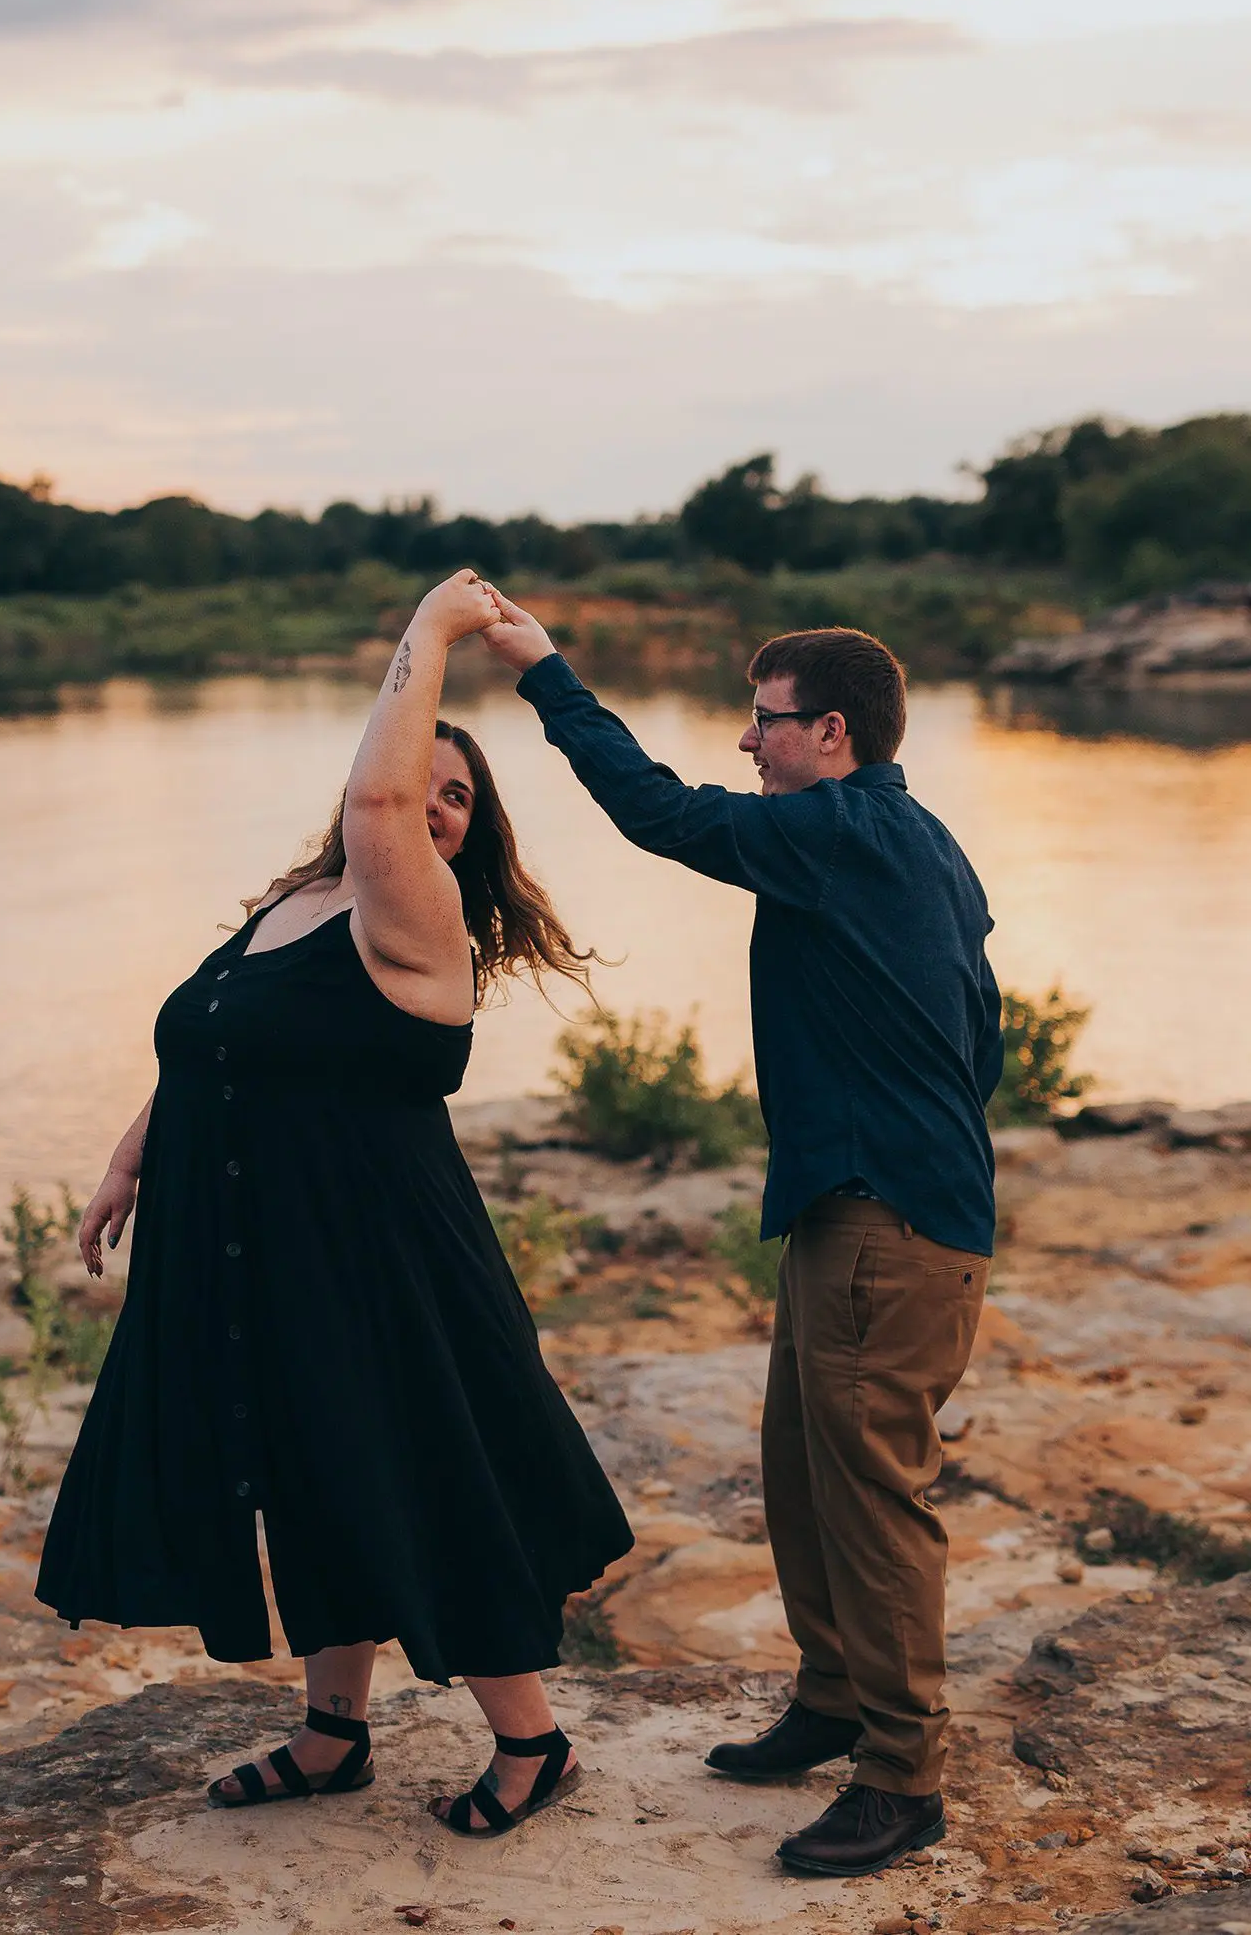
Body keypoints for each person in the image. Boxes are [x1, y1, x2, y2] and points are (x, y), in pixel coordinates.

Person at [36, 570, 632, 1838]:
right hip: (262, 1245)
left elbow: (376, 798)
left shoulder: (417, 921)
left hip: (380, 1261)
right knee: (307, 1470)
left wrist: (431, 630)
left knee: (413, 1475)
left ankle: (533, 1742)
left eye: (456, 796)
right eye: (427, 780)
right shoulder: (288, 909)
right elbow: (210, 1047)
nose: (430, 802)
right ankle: (332, 1734)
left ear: (466, 834)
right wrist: (130, 1163)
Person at [481, 598, 1002, 1879]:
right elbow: (979, 1019)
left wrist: (544, 673)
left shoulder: (841, 827)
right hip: (859, 1205)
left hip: (894, 1216)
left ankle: (903, 1778)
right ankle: (835, 1699)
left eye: (763, 723)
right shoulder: (913, 839)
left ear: (830, 731)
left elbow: (659, 812)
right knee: (802, 1468)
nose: (748, 747)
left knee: (874, 1497)